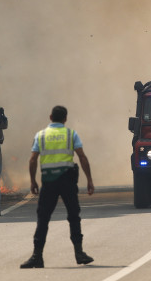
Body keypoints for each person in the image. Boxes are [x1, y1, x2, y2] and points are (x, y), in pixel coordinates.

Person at [20, 106, 95, 268]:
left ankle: (37, 256)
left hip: (49, 182)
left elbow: (33, 160)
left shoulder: (40, 135)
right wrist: (89, 179)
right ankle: (79, 253)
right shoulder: (70, 134)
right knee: (74, 216)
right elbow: (82, 157)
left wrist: (33, 181)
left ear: (50, 116)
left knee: (43, 218)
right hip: (67, 181)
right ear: (65, 119)